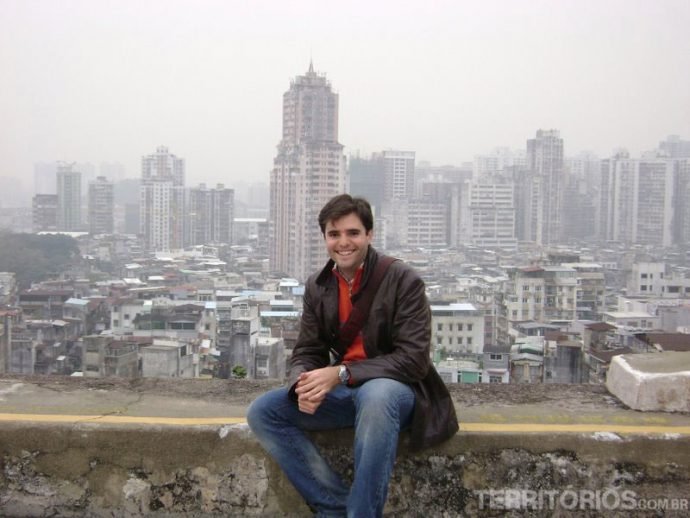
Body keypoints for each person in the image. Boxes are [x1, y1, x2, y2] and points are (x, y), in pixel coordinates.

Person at [247, 194, 458, 517]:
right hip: (349, 393)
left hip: (397, 393)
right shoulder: (319, 286)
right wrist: (302, 384)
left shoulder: (402, 280)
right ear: (325, 239)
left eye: (353, 233)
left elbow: (414, 360)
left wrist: (342, 373)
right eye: (334, 234)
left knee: (376, 394)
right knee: (264, 411)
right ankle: (334, 507)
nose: (343, 243)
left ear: (369, 235)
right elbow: (307, 349)